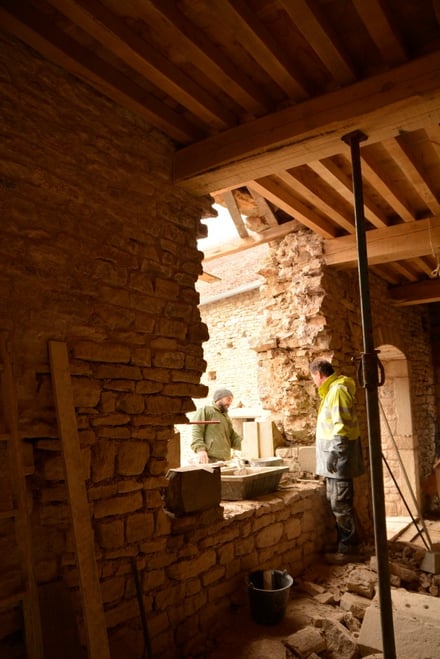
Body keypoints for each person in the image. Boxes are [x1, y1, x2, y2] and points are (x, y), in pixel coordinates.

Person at [310, 358, 365, 564]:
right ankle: (345, 543)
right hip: (334, 461)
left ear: (318, 374)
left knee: (341, 503)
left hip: (339, 459)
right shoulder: (331, 391)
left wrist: (335, 451)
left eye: (313, 378)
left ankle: (350, 548)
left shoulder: (338, 391)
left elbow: (341, 423)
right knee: (336, 502)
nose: (314, 382)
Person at [191, 389, 242, 464]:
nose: (229, 403)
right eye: (228, 399)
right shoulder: (206, 410)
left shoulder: (226, 416)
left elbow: (233, 437)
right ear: (219, 398)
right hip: (209, 459)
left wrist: (246, 445)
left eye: (231, 401)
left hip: (224, 460)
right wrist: (200, 450)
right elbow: (197, 431)